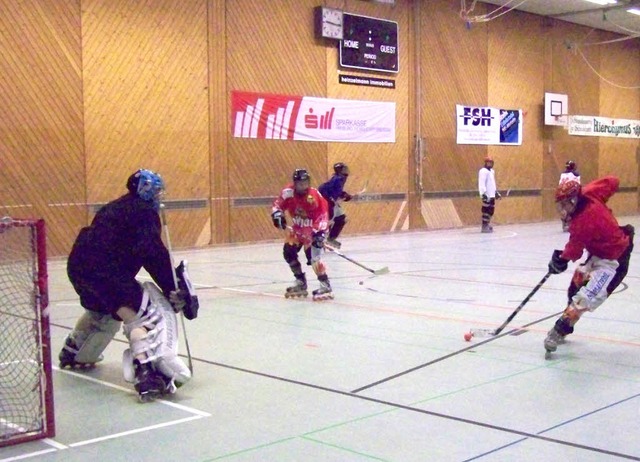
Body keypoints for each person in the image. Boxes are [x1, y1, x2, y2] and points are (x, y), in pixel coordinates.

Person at [60, 169, 191, 402]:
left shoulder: (116, 207)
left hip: (79, 268)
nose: (160, 195)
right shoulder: (143, 212)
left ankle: (75, 351)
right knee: (142, 314)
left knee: (105, 310)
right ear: (146, 189)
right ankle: (147, 369)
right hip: (105, 270)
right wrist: (173, 288)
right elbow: (153, 253)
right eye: (157, 190)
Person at [544, 176, 634, 356]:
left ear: (573, 200)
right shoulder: (589, 193)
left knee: (588, 296)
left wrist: (561, 260)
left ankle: (558, 331)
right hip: (598, 254)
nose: (562, 210)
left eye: (564, 205)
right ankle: (566, 328)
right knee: (574, 287)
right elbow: (613, 181)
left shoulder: (583, 221)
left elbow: (574, 250)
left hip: (614, 260)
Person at [271, 168, 333, 300]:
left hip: (315, 230)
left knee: (313, 257)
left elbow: (323, 215)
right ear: (295, 183)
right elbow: (277, 205)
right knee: (288, 252)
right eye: (300, 184)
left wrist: (319, 234)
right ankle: (300, 281)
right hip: (298, 229)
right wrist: (277, 215)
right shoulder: (288, 193)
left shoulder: (314, 196)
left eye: (306, 183)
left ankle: (325, 284)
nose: (303, 186)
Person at [318, 162, 352, 249]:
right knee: (327, 220)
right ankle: (321, 239)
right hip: (326, 202)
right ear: (340, 170)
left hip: (331, 202)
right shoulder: (338, 179)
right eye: (344, 168)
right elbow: (325, 190)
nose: (346, 170)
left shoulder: (340, 178)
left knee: (341, 218)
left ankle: (331, 238)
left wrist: (344, 195)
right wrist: (342, 196)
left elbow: (337, 191)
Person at [478, 156, 501, 233]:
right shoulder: (483, 171)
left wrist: (496, 192)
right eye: (488, 162)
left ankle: (487, 224)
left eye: (491, 162)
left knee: (491, 211)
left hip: (491, 195)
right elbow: (481, 183)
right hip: (486, 195)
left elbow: (492, 184)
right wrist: (483, 193)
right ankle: (484, 226)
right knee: (486, 211)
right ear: (485, 163)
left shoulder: (492, 171)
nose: (489, 164)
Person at [558, 160, 581, 232]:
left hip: (560, 192)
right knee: (574, 206)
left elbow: (560, 183)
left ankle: (564, 218)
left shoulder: (562, 174)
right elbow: (578, 184)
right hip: (570, 192)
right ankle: (569, 220)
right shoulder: (576, 174)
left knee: (563, 205)